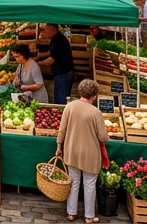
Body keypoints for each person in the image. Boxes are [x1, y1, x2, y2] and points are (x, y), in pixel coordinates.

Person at [56, 79, 109, 224]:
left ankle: (71, 213)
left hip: (72, 150)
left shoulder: (70, 107)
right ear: (94, 95)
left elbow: (62, 130)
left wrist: (59, 146)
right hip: (90, 154)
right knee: (90, 184)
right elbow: (103, 136)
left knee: (73, 182)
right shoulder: (96, 112)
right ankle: (89, 216)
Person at [39, 23, 75, 103]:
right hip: (63, 72)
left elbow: (50, 61)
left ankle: (61, 113)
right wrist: (39, 55)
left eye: (46, 29)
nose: (45, 31)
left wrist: (37, 63)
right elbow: (51, 52)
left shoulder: (58, 41)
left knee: (61, 99)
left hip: (63, 73)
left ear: (52, 28)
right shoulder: (56, 38)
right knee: (61, 96)